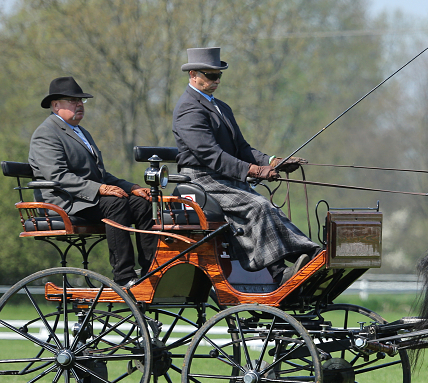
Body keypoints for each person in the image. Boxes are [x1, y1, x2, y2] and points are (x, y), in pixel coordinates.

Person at [171, 47, 320, 286]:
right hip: (202, 179)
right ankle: (280, 272)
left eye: (219, 75)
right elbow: (211, 155)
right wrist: (253, 170)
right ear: (193, 75)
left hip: (224, 177)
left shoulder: (221, 107)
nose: (216, 80)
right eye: (210, 75)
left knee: (269, 206)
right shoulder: (189, 109)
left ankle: (309, 255)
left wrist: (272, 162)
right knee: (258, 206)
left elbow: (241, 147)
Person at [29, 77, 157, 288]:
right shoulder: (46, 133)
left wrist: (132, 188)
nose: (79, 105)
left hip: (88, 198)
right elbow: (57, 176)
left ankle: (150, 271)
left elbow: (101, 176)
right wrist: (100, 189)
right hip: (64, 202)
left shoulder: (82, 132)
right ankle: (124, 276)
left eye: (81, 101)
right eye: (72, 100)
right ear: (55, 105)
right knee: (115, 204)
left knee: (142, 203)